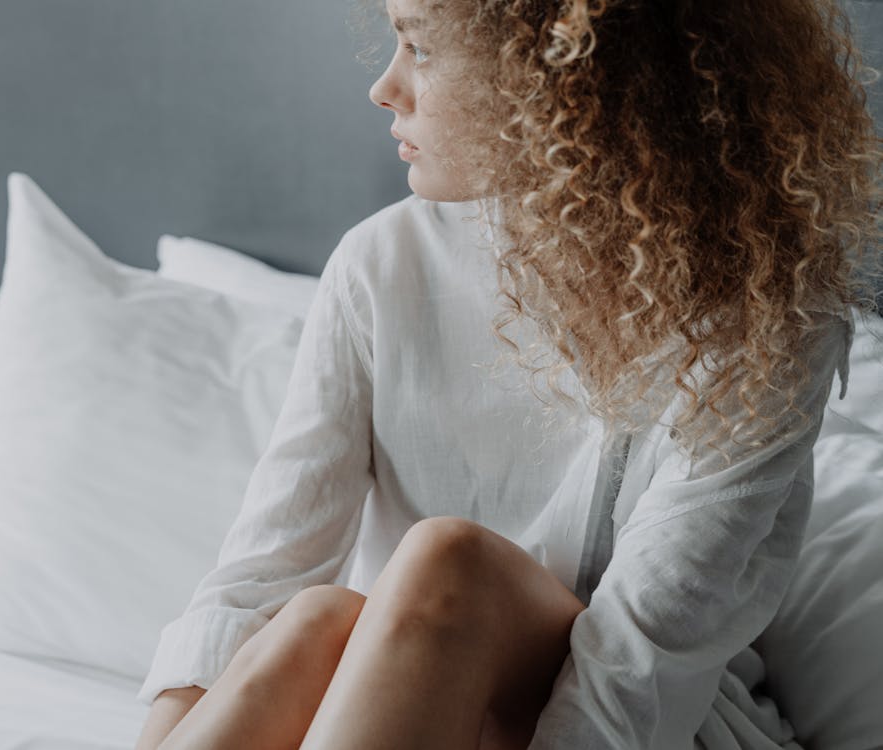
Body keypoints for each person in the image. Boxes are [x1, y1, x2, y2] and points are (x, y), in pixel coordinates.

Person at [134, 0, 881, 747]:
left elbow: (636, 660)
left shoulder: (759, 316)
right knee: (317, 617)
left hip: (638, 726)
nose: (384, 88)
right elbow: (260, 577)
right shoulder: (380, 264)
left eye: (418, 48)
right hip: (409, 704)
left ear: (563, 76)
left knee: (446, 563)